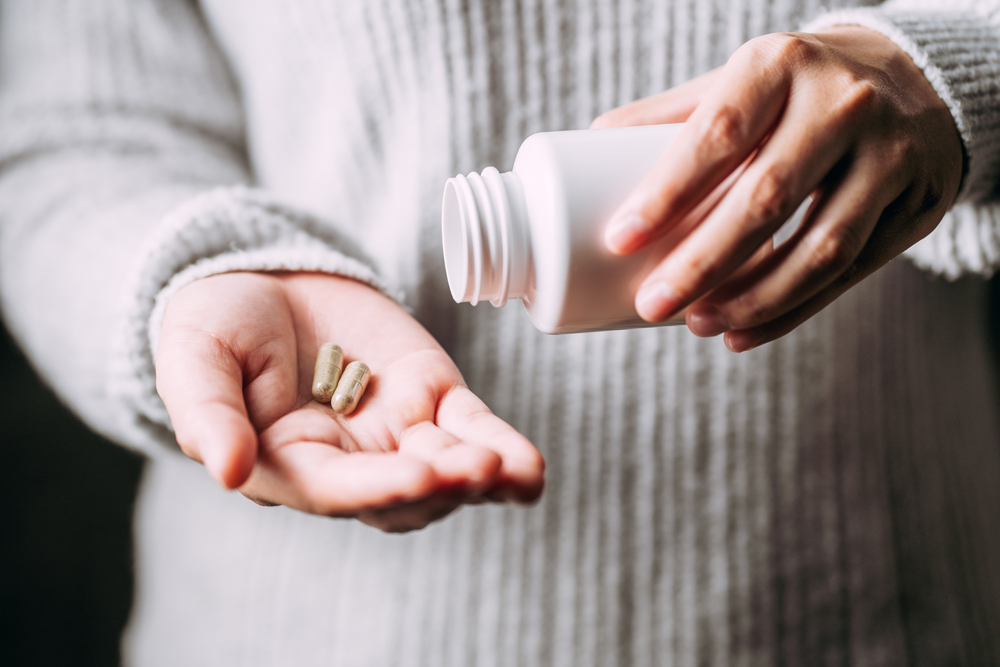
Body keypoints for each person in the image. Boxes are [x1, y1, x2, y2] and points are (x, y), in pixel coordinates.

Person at [2, 0, 999, 663]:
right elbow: (67, 141)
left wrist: (954, 81)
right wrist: (197, 279)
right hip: (301, 631)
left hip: (869, 615)